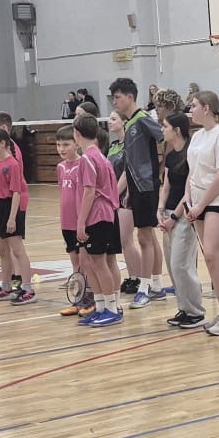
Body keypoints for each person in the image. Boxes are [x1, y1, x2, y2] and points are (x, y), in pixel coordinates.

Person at [184, 91, 219, 335]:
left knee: (211, 256)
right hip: (197, 201)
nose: (191, 110)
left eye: (194, 106)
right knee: (216, 259)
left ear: (206, 108)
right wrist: (188, 199)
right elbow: (192, 171)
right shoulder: (197, 136)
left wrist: (201, 205)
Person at [110, 77, 167, 308]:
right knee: (147, 237)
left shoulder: (143, 119)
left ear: (129, 97)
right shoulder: (130, 122)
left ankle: (144, 288)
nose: (114, 102)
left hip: (147, 186)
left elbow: (166, 137)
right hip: (135, 187)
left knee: (144, 237)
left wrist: (161, 168)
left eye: (117, 97)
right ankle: (157, 285)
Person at [71, 113, 125, 326]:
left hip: (98, 215)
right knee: (100, 262)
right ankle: (103, 307)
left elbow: (89, 191)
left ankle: (111, 309)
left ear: (77, 133)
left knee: (99, 263)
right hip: (109, 214)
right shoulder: (102, 156)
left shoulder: (87, 158)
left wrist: (80, 221)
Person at [0, 126, 37, 305]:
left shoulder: (12, 164)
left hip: (9, 207)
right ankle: (5, 287)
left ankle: (28, 289)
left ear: (3, 143)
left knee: (17, 250)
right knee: (2, 250)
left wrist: (12, 218)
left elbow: (16, 193)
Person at [159, 112, 204, 329]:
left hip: (184, 215)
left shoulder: (191, 153)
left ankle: (196, 312)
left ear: (177, 130)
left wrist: (174, 217)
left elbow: (189, 192)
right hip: (168, 214)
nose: (162, 130)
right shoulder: (170, 155)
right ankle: (184, 308)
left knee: (181, 265)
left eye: (165, 126)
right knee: (171, 265)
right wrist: (160, 210)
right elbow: (166, 186)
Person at [52, 125, 93, 318]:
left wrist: (82, 220)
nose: (61, 148)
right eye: (58, 145)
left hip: (80, 222)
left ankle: (90, 300)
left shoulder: (82, 164)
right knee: (75, 263)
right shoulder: (60, 167)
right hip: (66, 223)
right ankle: (77, 300)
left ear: (76, 144)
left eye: (66, 144)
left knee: (86, 263)